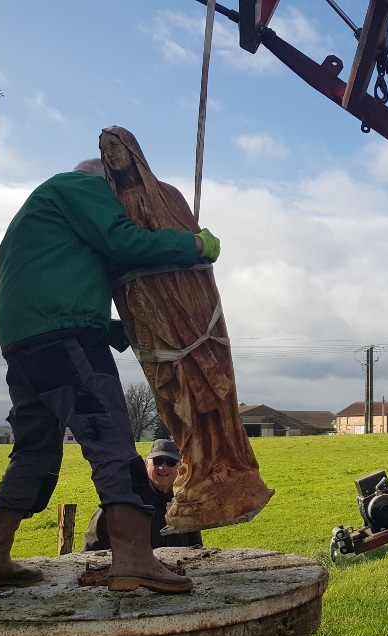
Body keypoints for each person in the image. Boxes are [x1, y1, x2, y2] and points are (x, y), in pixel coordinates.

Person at [0, 156, 220, 596]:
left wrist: (131, 333)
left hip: (27, 343)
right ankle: (134, 559)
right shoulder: (79, 188)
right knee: (111, 440)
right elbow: (123, 241)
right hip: (66, 338)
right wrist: (193, 246)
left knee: (33, 452)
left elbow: (62, 286)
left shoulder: (36, 217)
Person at [100, 126, 273, 534]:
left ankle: (226, 468)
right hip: (147, 312)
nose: (112, 154)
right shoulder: (108, 209)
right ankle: (196, 469)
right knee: (171, 393)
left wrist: (192, 247)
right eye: (105, 149)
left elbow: (194, 251)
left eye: (117, 146)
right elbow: (117, 254)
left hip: (188, 308)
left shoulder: (169, 195)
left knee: (208, 388)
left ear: (133, 151)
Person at [83, 439, 203, 551]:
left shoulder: (185, 506)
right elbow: (92, 549)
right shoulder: (125, 499)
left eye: (171, 463)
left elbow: (195, 550)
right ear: (146, 464)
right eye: (157, 461)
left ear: (181, 468)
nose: (163, 467)